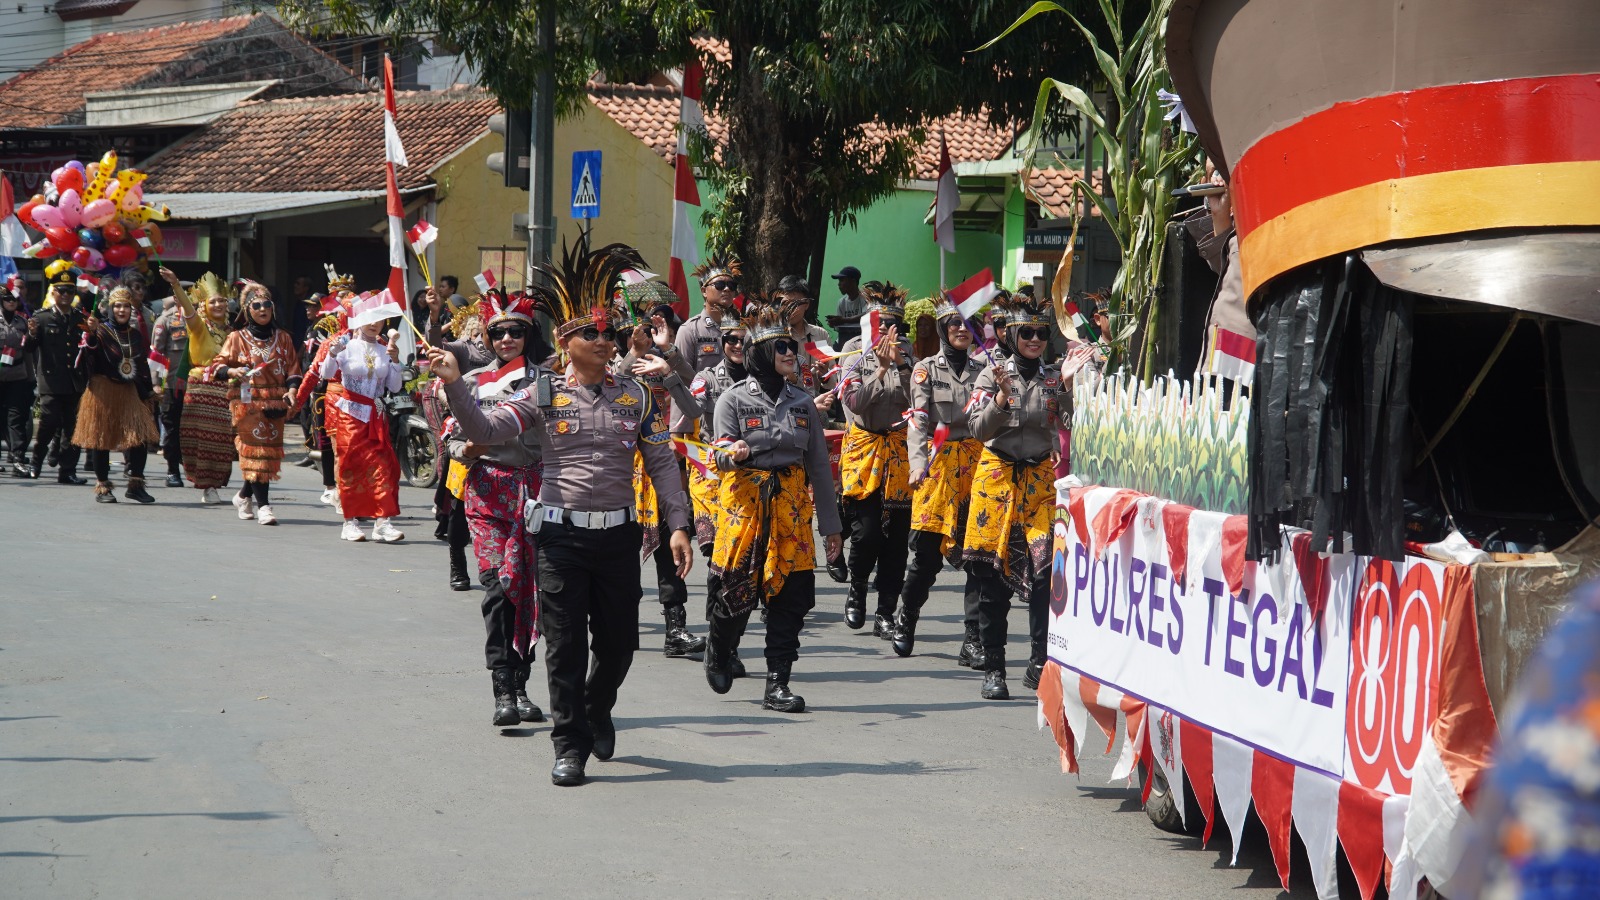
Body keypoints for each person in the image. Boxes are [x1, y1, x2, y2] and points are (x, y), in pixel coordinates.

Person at [430, 241, 693, 787]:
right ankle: (569, 743)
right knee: (566, 644)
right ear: (568, 342)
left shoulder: (638, 398)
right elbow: (484, 430)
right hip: (559, 537)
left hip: (620, 537)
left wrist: (678, 526)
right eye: (591, 334)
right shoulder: (542, 394)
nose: (604, 341)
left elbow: (664, 463)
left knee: (621, 643)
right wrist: (455, 384)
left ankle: (598, 707)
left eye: (609, 334)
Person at [703, 298, 844, 712]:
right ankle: (719, 645)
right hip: (745, 506)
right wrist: (738, 451)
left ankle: (777, 681)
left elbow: (819, 465)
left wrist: (831, 528)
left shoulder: (802, 402)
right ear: (761, 353)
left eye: (791, 347)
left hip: (792, 509)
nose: (789, 353)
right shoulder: (731, 399)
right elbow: (719, 454)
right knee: (735, 589)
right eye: (780, 347)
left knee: (792, 596)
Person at [445, 291, 550, 727]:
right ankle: (502, 687)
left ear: (529, 335)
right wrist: (467, 448)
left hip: (536, 493)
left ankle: (523, 685)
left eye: (516, 331)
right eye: (498, 332)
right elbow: (449, 440)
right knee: (497, 589)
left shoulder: (548, 381)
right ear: (487, 337)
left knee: (530, 590)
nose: (507, 338)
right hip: (488, 492)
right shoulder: (469, 382)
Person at [962, 294, 1066, 699]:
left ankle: (1039, 660)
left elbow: (1071, 418)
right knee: (992, 580)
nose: (1035, 339)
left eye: (1041, 333)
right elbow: (976, 429)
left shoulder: (1054, 378)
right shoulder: (990, 375)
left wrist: (1081, 384)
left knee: (1044, 572)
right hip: (998, 481)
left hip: (1039, 485)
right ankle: (994, 667)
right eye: (1028, 333)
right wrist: (1003, 398)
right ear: (1011, 335)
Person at [893, 295, 987, 660]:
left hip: (977, 466)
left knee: (979, 555)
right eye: (954, 324)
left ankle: (973, 638)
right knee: (927, 557)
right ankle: (908, 615)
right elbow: (918, 422)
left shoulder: (985, 369)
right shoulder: (925, 370)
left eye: (968, 324)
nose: (962, 329)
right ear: (943, 330)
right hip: (938, 466)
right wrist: (917, 465)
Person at [617, 301, 708, 662]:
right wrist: (632, 355)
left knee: (674, 541)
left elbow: (694, 396)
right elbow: (614, 384)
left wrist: (667, 354)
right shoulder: (613, 364)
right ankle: (621, 625)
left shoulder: (661, 359)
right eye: (631, 332)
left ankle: (676, 628)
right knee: (622, 551)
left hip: (663, 461)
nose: (639, 336)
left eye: (644, 331)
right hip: (624, 468)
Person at [836, 281, 916, 636]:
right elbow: (853, 403)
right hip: (865, 449)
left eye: (892, 324)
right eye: (880, 322)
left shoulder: (910, 354)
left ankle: (886, 611)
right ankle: (857, 592)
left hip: (899, 451)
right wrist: (881, 369)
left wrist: (898, 365)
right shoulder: (853, 352)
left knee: (897, 540)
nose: (886, 329)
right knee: (867, 533)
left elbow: (917, 402)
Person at [684, 317, 751, 679]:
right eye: (730, 339)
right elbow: (689, 416)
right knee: (719, 563)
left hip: (752, 483)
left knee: (744, 569)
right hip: (711, 476)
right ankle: (719, 643)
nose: (738, 345)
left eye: (744, 339)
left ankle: (728, 642)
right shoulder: (706, 379)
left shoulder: (768, 378)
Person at [204, 282, 302, 526]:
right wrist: (233, 370)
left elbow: (293, 370)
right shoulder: (236, 338)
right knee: (255, 454)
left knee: (267, 456)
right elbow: (216, 365)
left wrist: (291, 391)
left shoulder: (284, 338)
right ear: (248, 310)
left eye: (266, 305)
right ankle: (265, 506)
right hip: (247, 402)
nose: (262, 309)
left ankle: (244, 495)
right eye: (256, 305)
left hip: (276, 402)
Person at [319, 291, 406, 543]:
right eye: (369, 318)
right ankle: (350, 521)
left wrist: (395, 361)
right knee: (350, 468)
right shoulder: (347, 346)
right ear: (357, 319)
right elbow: (326, 374)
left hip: (376, 415)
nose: (374, 323)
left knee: (382, 468)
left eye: (379, 318)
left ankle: (382, 522)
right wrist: (332, 354)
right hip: (350, 415)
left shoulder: (383, 349)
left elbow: (395, 386)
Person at [72, 287, 159, 503]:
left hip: (128, 391)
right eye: (118, 306)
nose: (122, 310)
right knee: (101, 439)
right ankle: (103, 488)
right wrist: (90, 334)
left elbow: (141, 365)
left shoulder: (136, 335)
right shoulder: (100, 331)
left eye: (126, 306)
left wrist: (148, 391)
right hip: (102, 391)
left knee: (139, 438)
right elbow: (88, 354)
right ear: (111, 308)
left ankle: (136, 486)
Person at [160, 269, 235, 504]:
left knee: (223, 441)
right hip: (201, 387)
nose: (219, 304)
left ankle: (216, 481)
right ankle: (206, 484)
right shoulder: (199, 326)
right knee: (203, 439)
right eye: (214, 301)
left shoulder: (232, 332)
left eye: (222, 300)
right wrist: (175, 285)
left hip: (226, 388)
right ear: (204, 305)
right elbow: (189, 310)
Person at [26, 278, 89, 484]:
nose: (65, 295)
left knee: (73, 429)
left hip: (74, 382)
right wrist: (32, 334)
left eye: (70, 291)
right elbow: (29, 347)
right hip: (51, 382)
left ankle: (68, 470)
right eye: (61, 291)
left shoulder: (80, 319)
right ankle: (36, 462)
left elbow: (87, 349)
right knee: (48, 424)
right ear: (53, 293)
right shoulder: (42, 318)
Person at [150, 289, 190, 487]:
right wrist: (156, 383)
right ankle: (172, 470)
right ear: (175, 298)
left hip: (196, 384)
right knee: (172, 428)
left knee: (191, 429)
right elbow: (156, 353)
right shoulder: (165, 320)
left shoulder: (200, 318)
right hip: (172, 384)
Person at [675, 255, 740, 375]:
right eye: (719, 285)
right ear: (704, 291)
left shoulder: (743, 328)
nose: (726, 289)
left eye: (731, 286)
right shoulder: (689, 330)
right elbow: (682, 377)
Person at [0, 286, 34, 477]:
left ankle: (18, 459)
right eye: (7, 298)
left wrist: (31, 379)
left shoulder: (22, 322)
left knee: (16, 419)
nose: (11, 302)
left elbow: (29, 354)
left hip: (17, 376)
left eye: (14, 299)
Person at [827, 265, 864, 346]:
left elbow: (867, 316)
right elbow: (840, 326)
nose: (839, 284)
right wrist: (834, 323)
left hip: (861, 340)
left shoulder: (865, 299)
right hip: (843, 340)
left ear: (853, 281)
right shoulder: (841, 302)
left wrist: (844, 320)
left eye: (842, 280)